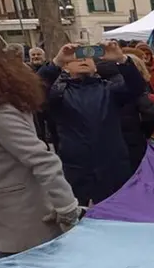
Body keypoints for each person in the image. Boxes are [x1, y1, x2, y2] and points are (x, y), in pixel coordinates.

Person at [0, 46, 80, 257]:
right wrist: (57, 63)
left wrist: (67, 210)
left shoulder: (0, 113)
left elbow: (43, 160)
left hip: (18, 226)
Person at [39, 42, 145, 207]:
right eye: (77, 58)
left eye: (88, 57)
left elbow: (137, 87)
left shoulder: (110, 90)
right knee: (78, 221)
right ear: (65, 68)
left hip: (113, 166)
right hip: (76, 168)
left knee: (118, 214)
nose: (83, 60)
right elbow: (37, 89)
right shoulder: (58, 94)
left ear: (95, 67)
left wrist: (121, 59)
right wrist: (56, 62)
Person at [97, 54, 154, 170]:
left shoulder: (96, 86)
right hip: (132, 143)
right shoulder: (124, 85)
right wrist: (142, 133)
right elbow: (151, 113)